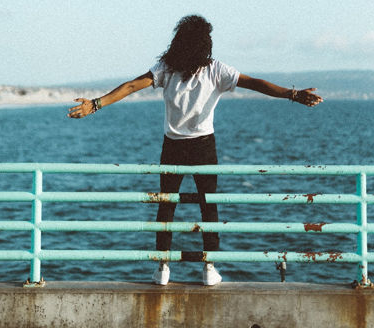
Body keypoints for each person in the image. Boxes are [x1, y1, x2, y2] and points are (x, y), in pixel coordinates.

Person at [68, 15, 323, 286]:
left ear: (178, 40)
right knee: (208, 206)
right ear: (205, 43)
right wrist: (292, 95)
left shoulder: (167, 67)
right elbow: (255, 83)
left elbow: (131, 86)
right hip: (203, 146)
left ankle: (162, 269)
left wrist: (95, 104)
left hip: (173, 146)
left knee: (166, 207)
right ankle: (209, 268)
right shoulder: (214, 69)